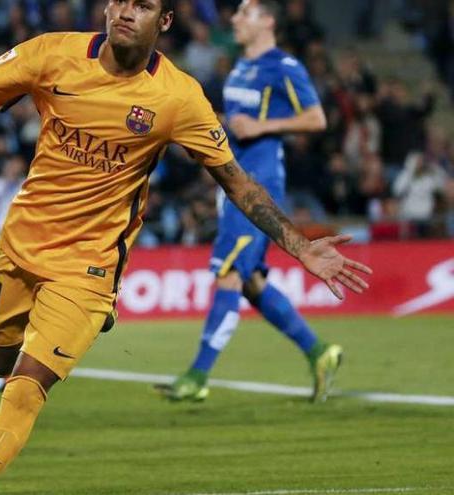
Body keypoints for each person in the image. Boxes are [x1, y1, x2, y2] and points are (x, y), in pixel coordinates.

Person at [0, 1, 371, 492]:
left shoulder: (178, 97)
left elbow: (237, 181)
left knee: (24, 393)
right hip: (18, 250)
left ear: (163, 22)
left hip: (87, 270)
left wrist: (299, 245)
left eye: (142, 6)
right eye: (120, 0)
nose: (125, 12)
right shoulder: (51, 54)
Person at [160, 0, 342, 404]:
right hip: (235, 182)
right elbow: (240, 124)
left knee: (228, 272)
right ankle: (319, 351)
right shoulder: (240, 67)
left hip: (261, 183)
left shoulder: (285, 66)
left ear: (268, 21)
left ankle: (197, 375)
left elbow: (316, 119)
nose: (235, 19)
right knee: (251, 284)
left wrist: (264, 125)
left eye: (245, 13)